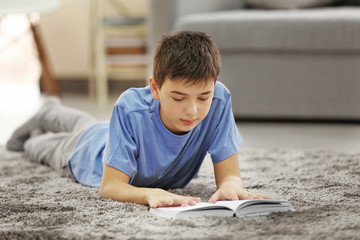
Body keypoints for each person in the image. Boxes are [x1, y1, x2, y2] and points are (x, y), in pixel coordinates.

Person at [6, 31, 270, 208]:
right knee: (39, 145)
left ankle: (51, 110)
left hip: (108, 133)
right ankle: (44, 118)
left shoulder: (220, 99)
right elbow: (110, 186)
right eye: (178, 98)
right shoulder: (130, 107)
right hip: (85, 152)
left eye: (203, 97)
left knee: (86, 125)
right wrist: (148, 193)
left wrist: (231, 185)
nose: (192, 111)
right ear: (155, 88)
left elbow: (230, 175)